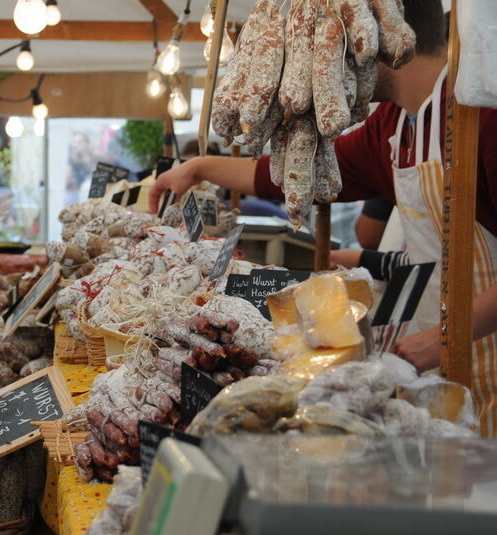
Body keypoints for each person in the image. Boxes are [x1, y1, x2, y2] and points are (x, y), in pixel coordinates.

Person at [150, 1, 497, 404]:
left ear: (380, 35)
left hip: (480, 344)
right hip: (434, 349)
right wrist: (198, 168)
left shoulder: (482, 116)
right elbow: (292, 177)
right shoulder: (395, 123)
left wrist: (447, 337)